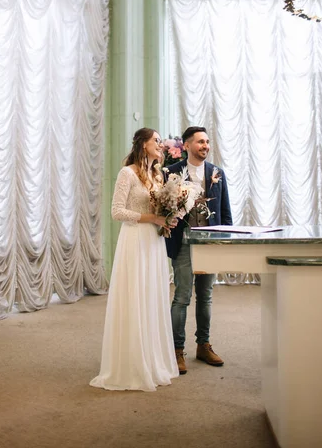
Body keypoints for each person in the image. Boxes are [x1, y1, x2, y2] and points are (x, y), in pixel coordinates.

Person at [90, 128, 179, 392]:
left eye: (161, 142)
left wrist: (168, 217)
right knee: (135, 297)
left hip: (154, 241)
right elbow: (117, 211)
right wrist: (152, 218)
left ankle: (153, 360)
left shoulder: (158, 174)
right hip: (135, 240)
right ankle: (131, 364)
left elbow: (159, 208)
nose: (161, 145)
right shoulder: (127, 173)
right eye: (157, 141)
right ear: (143, 145)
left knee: (152, 298)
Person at [165, 126, 233, 375]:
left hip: (211, 242)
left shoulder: (217, 173)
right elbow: (165, 210)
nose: (205, 146)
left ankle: (203, 345)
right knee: (182, 296)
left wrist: (226, 241)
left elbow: (225, 212)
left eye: (207, 142)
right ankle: (177, 350)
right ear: (186, 145)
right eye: (200, 142)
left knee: (206, 296)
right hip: (183, 242)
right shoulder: (171, 173)